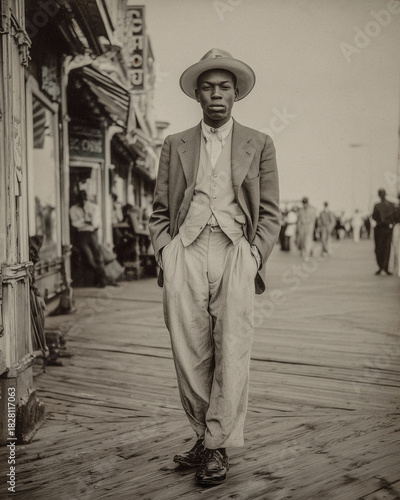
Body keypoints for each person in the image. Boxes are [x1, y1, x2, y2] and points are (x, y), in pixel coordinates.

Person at [149, 48, 281, 487]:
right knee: (188, 350)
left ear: (237, 93)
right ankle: (206, 437)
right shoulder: (175, 144)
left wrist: (255, 255)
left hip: (234, 250)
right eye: (208, 87)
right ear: (197, 95)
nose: (216, 94)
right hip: (185, 249)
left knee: (232, 346)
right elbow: (158, 211)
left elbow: (271, 212)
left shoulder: (259, 142)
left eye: (224, 87)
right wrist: (166, 249)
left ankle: (217, 445)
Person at [69, 190, 108, 287]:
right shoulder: (73, 209)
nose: (82, 202)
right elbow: (75, 224)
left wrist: (84, 222)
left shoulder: (93, 207)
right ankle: (97, 277)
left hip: (92, 233)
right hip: (81, 235)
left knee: (97, 256)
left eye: (84, 200)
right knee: (88, 257)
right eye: (80, 200)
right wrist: (86, 220)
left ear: (87, 198)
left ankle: (102, 279)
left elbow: (95, 222)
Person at [372, 188, 395, 275]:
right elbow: (394, 217)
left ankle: (381, 266)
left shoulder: (377, 206)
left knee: (378, 248)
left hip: (379, 229)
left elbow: (374, 216)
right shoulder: (391, 205)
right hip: (388, 229)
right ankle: (385, 266)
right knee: (387, 248)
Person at [392, 193, 400, 277]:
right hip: (397, 227)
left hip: (397, 227)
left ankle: (397, 267)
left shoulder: (396, 208)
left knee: (397, 248)